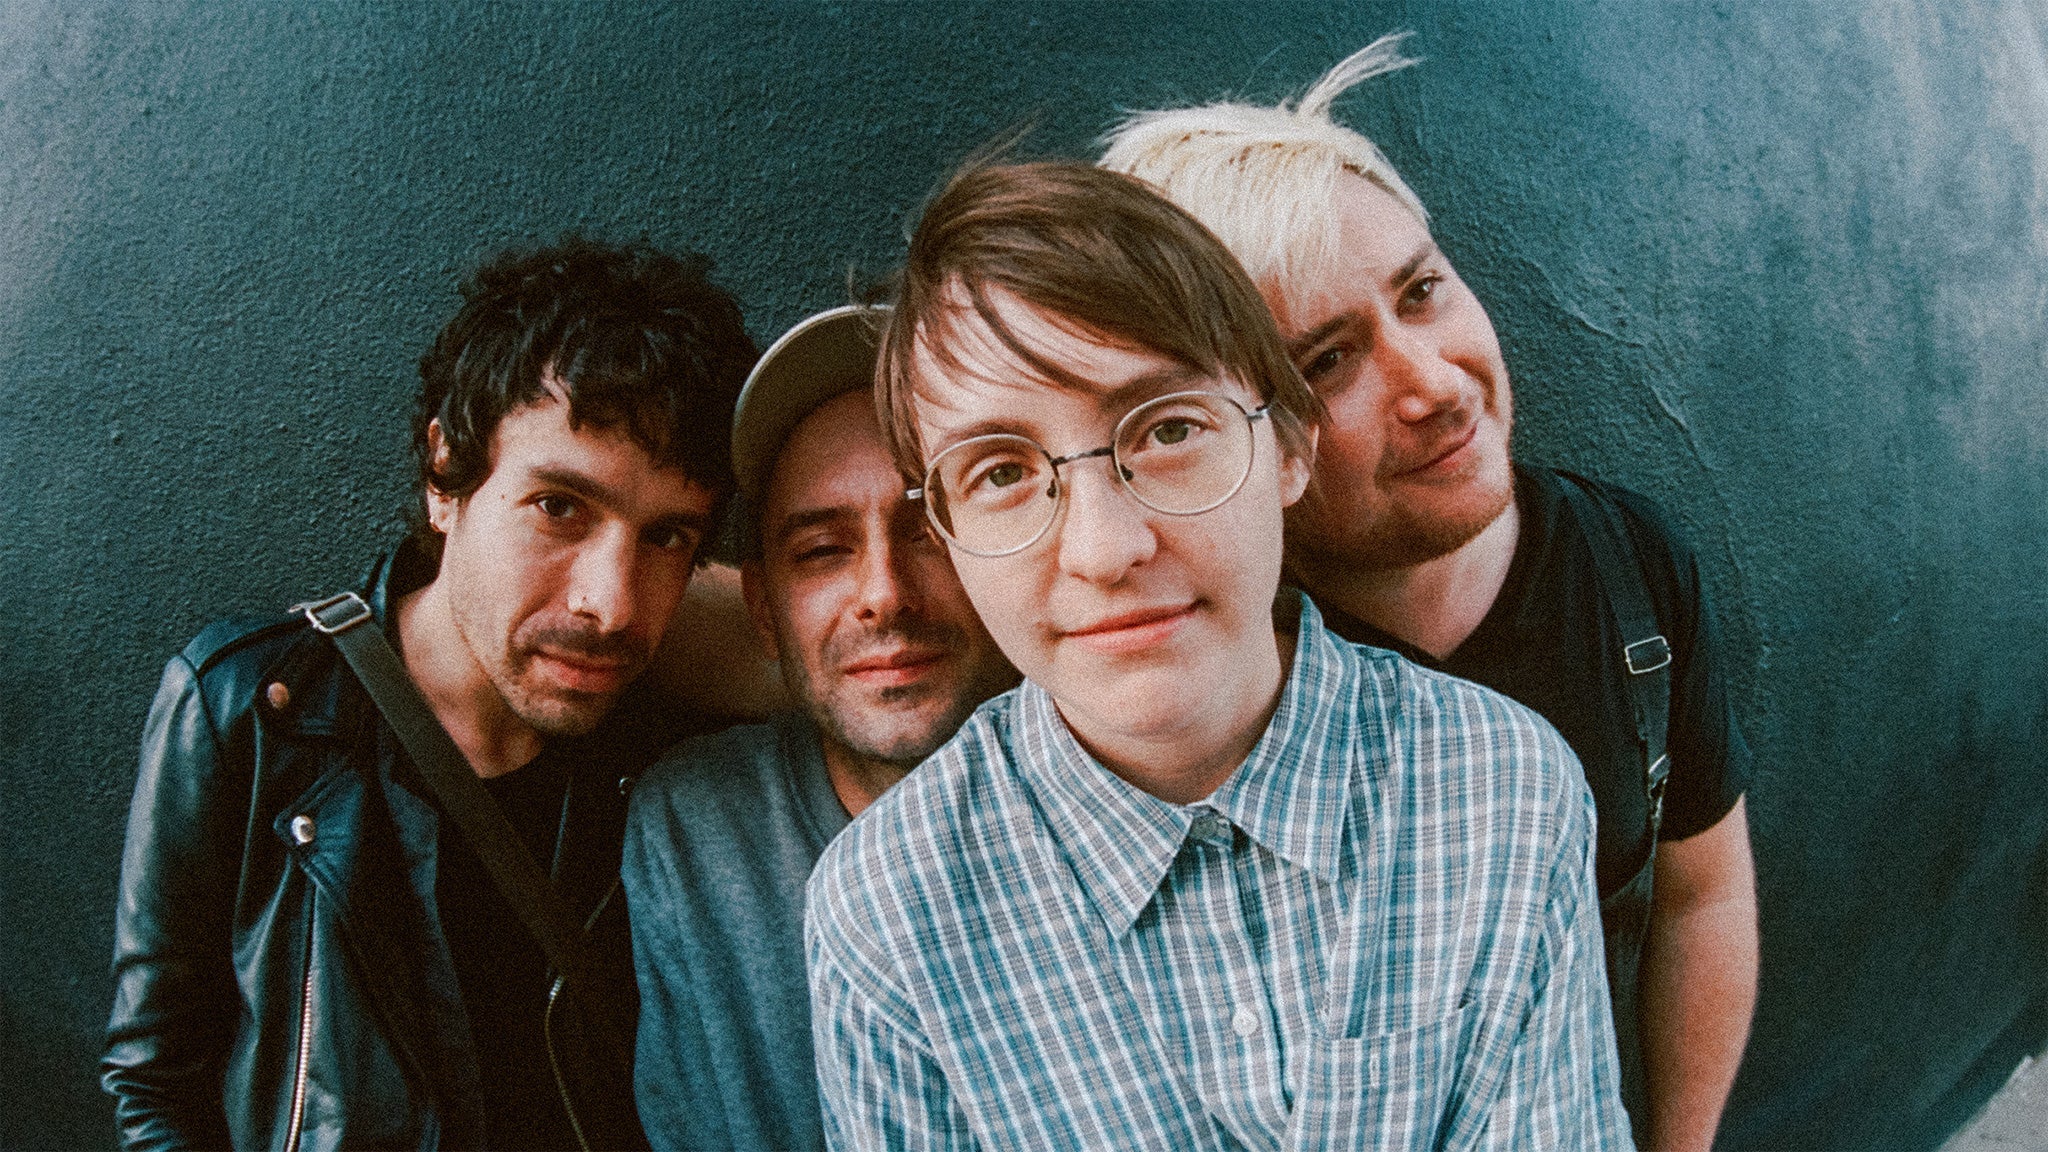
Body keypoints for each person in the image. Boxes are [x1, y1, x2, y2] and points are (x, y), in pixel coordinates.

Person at [806, 160, 1631, 1149]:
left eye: (1168, 429)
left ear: (1289, 446)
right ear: (946, 531)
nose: (1104, 549)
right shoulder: (886, 919)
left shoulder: (1502, 790)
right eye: (1000, 473)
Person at [1098, 34, 1759, 1151]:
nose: (1432, 383)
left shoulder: (1629, 569)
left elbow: (1703, 897)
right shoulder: (1190, 663)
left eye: (1421, 292)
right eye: (1327, 361)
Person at [101, 237, 756, 1151]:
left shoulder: (663, 747)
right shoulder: (255, 709)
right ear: (446, 472)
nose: (610, 605)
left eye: (668, 537)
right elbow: (154, 1080)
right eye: (559, 507)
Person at [623, 305, 1016, 1152]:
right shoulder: (697, 830)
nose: (885, 594)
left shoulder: (1133, 782)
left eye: (929, 532)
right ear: (763, 609)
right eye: (822, 551)